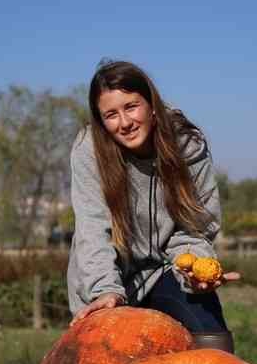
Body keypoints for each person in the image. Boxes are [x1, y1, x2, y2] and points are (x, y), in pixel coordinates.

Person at [67, 60, 238, 345]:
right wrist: (105, 289)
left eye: (131, 107)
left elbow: (195, 225)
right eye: (111, 114)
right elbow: (93, 229)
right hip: (109, 274)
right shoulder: (89, 150)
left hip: (166, 268)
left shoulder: (187, 145)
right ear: (100, 121)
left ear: (151, 104)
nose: (124, 123)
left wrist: (193, 270)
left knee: (213, 339)